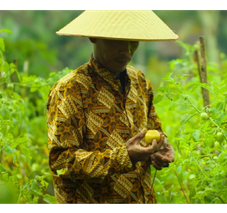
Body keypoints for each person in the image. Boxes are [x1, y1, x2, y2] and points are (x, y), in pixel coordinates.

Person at [46, 7, 178, 205]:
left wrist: (160, 147)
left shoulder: (139, 82)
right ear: (93, 37)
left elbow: (153, 131)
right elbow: (61, 161)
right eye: (117, 40)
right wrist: (124, 157)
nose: (127, 50)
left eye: (133, 40)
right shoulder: (71, 90)